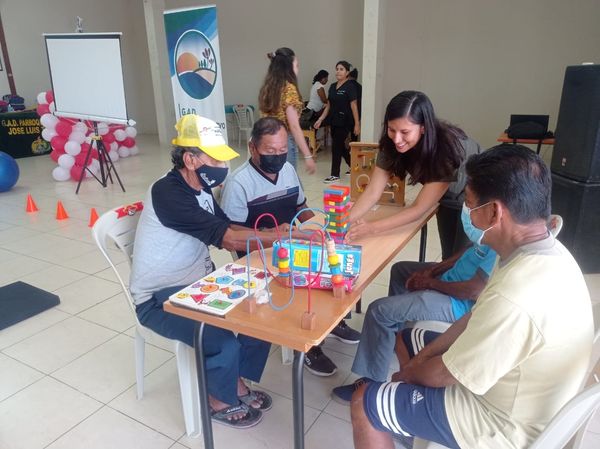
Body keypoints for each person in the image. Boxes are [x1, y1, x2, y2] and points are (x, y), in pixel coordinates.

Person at [351, 144, 594, 449]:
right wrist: (418, 364)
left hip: (502, 424)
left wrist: (411, 374)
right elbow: (472, 318)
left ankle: (398, 414)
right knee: (407, 339)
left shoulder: (515, 295)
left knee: (364, 402)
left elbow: (447, 373)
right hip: (520, 390)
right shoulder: (541, 253)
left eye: (469, 204)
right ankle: (409, 422)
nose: (467, 214)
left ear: (494, 212)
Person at [130, 114, 300, 429]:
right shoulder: (168, 192)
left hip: (198, 284)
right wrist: (283, 237)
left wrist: (276, 233)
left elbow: (227, 225)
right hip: (159, 299)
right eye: (215, 159)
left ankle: (234, 380)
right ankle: (218, 399)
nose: (223, 166)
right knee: (222, 341)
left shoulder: (201, 187)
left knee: (262, 313)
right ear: (190, 159)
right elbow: (229, 238)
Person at [221, 117, 361, 376]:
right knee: (306, 279)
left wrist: (324, 226)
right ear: (253, 148)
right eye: (270, 150)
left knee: (333, 263)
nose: (278, 156)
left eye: (283, 149)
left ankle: (334, 323)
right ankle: (305, 348)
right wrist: (273, 234)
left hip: (291, 244)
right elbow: (232, 232)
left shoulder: (287, 170)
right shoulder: (239, 183)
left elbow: (301, 207)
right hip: (258, 256)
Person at [331, 222, 497, 403]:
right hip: (452, 279)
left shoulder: (499, 245)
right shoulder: (488, 231)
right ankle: (392, 339)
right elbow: (468, 251)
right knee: (400, 270)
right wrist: (432, 271)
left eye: (471, 206)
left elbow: (473, 291)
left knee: (379, 311)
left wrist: (430, 283)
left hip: (458, 304)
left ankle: (370, 384)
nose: (469, 212)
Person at [344, 91, 477, 260]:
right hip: (447, 198)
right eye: (391, 130)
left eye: (405, 132)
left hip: (477, 199)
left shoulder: (446, 150)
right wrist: (343, 222)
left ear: (423, 128)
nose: (397, 139)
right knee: (448, 259)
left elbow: (418, 209)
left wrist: (371, 228)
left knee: (463, 262)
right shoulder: (390, 145)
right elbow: (372, 192)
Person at [258, 47, 316, 174]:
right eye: (296, 66)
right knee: (288, 180)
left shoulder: (267, 88)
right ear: (288, 67)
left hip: (266, 141)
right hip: (283, 142)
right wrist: (307, 155)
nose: (298, 69)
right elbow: (294, 126)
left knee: (273, 179)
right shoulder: (289, 89)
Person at [314, 60, 360, 183]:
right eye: (337, 69)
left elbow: (354, 105)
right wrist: (320, 119)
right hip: (333, 120)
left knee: (336, 147)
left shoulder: (350, 86)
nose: (338, 71)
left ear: (347, 72)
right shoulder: (332, 86)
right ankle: (353, 165)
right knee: (340, 146)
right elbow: (328, 105)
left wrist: (357, 124)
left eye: (341, 69)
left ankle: (335, 174)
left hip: (345, 121)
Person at [348, 68, 362, 141]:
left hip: (347, 113)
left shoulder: (346, 85)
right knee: (354, 133)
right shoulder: (360, 86)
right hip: (358, 112)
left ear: (349, 76)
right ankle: (353, 146)